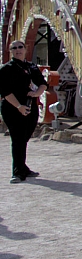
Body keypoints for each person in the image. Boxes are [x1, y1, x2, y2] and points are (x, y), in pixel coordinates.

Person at [0, 40, 46, 183]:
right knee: (17, 139)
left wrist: (37, 93)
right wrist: (19, 106)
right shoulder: (6, 68)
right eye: (14, 48)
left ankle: (23, 167)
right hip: (12, 108)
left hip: (30, 108)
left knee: (24, 139)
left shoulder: (31, 66)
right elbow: (5, 92)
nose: (18, 50)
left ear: (26, 49)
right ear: (11, 51)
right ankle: (17, 172)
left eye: (20, 47)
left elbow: (43, 83)